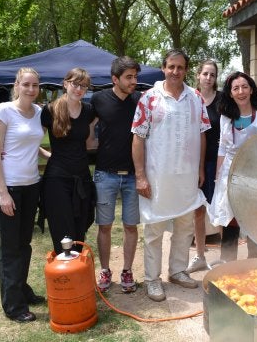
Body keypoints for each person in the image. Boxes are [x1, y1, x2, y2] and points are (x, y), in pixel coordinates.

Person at [132, 49, 210, 302]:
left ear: (186, 70)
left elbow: (202, 134)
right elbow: (138, 136)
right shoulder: (149, 98)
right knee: (154, 228)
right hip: (158, 177)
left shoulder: (196, 97)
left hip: (186, 176)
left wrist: (199, 169)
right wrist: (140, 175)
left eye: (180, 67)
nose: (175, 72)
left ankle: (177, 270)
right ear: (163, 68)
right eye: (171, 67)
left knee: (186, 226)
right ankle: (152, 279)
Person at [0, 68, 48, 323]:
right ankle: (13, 305)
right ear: (17, 85)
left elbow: (31, 142)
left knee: (25, 244)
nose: (31, 89)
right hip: (9, 187)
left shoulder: (38, 112)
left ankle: (22, 289)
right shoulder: (3, 110)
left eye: (35, 85)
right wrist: (2, 193)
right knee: (11, 247)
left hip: (31, 185)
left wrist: (46, 154)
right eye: (26, 84)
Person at [207, 71, 257, 262]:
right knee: (230, 219)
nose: (241, 91)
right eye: (236, 88)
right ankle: (228, 264)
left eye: (245, 86)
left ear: (251, 89)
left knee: (254, 221)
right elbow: (222, 146)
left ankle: (254, 265)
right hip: (231, 172)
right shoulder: (226, 117)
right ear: (230, 93)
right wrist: (218, 175)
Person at [91, 57, 141, 293]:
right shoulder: (99, 99)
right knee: (105, 226)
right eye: (129, 77)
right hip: (105, 174)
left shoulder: (139, 100)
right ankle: (105, 269)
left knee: (131, 226)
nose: (134, 81)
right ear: (115, 79)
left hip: (133, 175)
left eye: (135, 77)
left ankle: (127, 270)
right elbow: (85, 126)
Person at [40, 68, 96, 255]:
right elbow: (31, 141)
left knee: (81, 226)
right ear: (65, 83)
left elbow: (90, 140)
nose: (79, 89)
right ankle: (65, 277)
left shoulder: (88, 110)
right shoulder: (50, 110)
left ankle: (78, 277)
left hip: (82, 177)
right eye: (75, 84)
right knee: (63, 230)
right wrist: (49, 156)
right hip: (57, 179)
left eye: (84, 86)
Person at [186, 59, 222, 274]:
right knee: (198, 210)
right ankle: (199, 256)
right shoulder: (191, 98)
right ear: (198, 75)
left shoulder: (223, 100)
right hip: (194, 162)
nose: (208, 78)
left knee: (221, 210)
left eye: (212, 75)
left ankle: (226, 258)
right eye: (205, 74)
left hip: (217, 162)